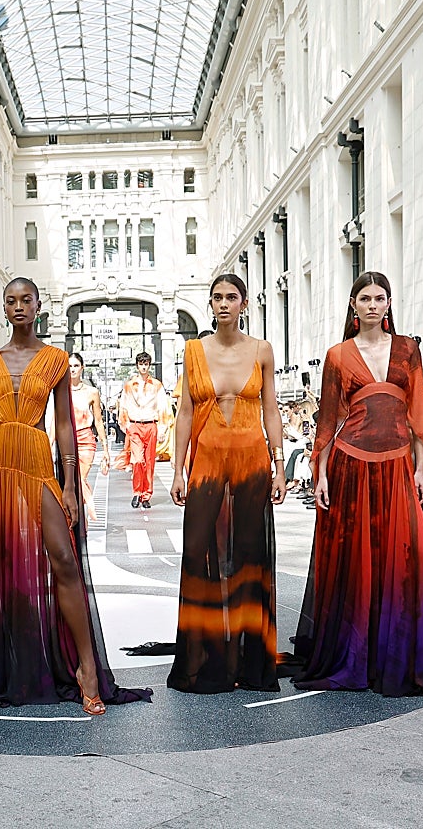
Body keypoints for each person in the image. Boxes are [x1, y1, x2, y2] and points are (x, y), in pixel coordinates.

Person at [293, 271, 423, 701]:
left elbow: (419, 414)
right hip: (351, 464)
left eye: (380, 298)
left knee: (407, 558)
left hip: (401, 464)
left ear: (389, 303)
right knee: (357, 563)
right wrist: (320, 472)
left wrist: (421, 469)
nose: (373, 305)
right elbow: (327, 421)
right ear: (353, 305)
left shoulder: (408, 350)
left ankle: (401, 652)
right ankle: (358, 653)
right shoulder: (338, 355)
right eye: (365, 298)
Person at [0, 277, 151, 714]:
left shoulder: (54, 360)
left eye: (26, 300)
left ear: (38, 306)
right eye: (10, 301)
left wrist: (69, 483)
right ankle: (6, 671)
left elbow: (65, 424)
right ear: (3, 307)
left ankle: (87, 668)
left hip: (35, 459)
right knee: (0, 567)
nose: (18, 307)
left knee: (63, 560)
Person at [168, 274, 289, 693]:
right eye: (217, 297)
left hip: (253, 459)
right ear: (210, 304)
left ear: (243, 303)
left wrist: (279, 463)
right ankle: (207, 657)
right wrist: (178, 468)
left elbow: (271, 409)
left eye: (231, 297)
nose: (223, 304)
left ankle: (249, 660)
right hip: (207, 457)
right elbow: (185, 411)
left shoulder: (262, 350)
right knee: (200, 551)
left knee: (248, 555)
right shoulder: (193, 350)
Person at [119, 352, 167, 508]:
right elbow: (123, 406)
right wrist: (127, 426)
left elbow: (163, 408)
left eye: (146, 364)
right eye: (141, 364)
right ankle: (137, 492)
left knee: (149, 462)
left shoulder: (157, 385)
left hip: (151, 425)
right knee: (138, 460)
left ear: (149, 365)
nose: (144, 367)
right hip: (135, 425)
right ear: (137, 365)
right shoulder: (129, 385)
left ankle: (146, 495)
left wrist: (162, 429)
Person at [68, 352, 110, 520]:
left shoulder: (92, 392)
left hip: (86, 440)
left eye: (76, 366)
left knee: (81, 478)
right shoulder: (61, 391)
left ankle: (83, 513)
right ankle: (80, 517)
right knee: (70, 481)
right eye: (69, 366)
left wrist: (105, 449)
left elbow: (98, 421)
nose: (72, 369)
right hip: (67, 440)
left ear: (82, 368)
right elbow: (55, 420)